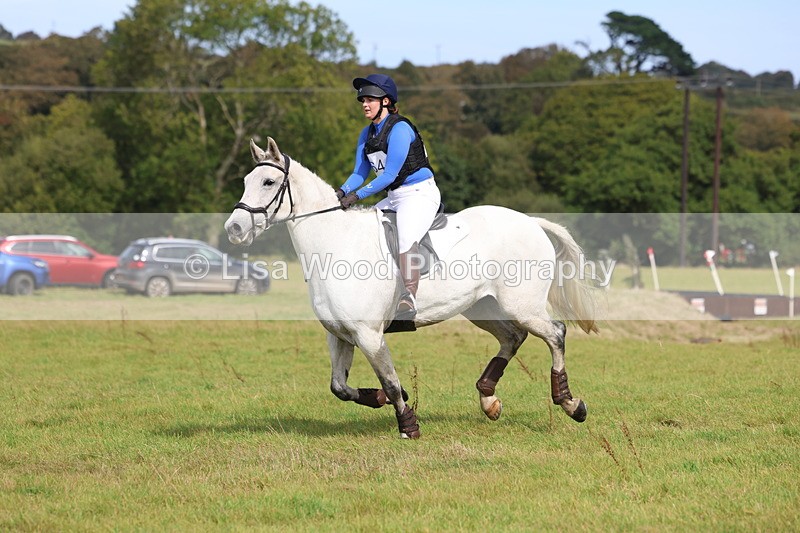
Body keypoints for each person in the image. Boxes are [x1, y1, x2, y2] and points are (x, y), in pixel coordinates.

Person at [335, 73, 441, 321]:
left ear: (386, 101)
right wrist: (340, 192)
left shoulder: (401, 128)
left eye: (370, 99)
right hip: (394, 197)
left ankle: (409, 297)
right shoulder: (367, 133)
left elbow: (390, 174)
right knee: (364, 229)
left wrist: (356, 196)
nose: (364, 104)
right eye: (362, 100)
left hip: (419, 194)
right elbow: (359, 172)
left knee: (405, 236)